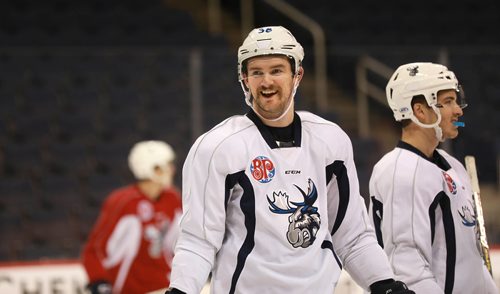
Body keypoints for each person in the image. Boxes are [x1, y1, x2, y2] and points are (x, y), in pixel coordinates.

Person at [165, 26, 413, 294]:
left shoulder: (331, 140)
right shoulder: (216, 147)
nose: (266, 81)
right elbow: (198, 240)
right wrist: (180, 290)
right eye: (256, 72)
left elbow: (352, 235)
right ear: (244, 79)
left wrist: (385, 285)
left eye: (276, 70)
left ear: (297, 75)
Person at [368, 62, 498, 293]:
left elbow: (472, 260)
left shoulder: (454, 166)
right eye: (448, 101)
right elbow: (408, 270)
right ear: (419, 110)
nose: (458, 110)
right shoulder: (400, 172)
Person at [81, 140, 182, 294]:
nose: (172, 169)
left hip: (165, 286)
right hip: (130, 289)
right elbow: (94, 250)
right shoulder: (124, 201)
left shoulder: (172, 198)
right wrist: (98, 280)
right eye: (166, 165)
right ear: (152, 169)